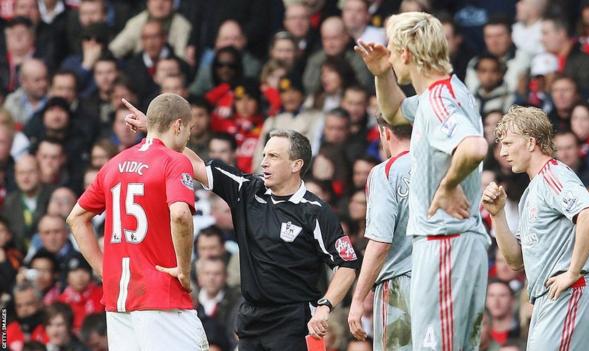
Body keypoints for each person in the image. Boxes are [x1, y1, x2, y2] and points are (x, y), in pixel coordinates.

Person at [124, 101, 360, 350]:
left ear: (296, 165)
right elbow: (195, 165)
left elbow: (347, 264)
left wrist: (325, 307)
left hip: (295, 322)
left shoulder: (315, 211)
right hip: (252, 319)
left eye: (274, 156)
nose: (264, 161)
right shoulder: (246, 190)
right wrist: (154, 130)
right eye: (265, 154)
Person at [355, 11, 490, 350]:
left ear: (406, 53)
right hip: (454, 242)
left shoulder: (438, 101)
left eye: (392, 49)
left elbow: (474, 146)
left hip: (445, 240)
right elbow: (395, 112)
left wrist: (448, 185)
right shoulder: (447, 92)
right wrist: (382, 75)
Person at [66, 93, 209, 351]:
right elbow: (179, 214)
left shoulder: (114, 163)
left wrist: (103, 269)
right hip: (162, 298)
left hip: (118, 301)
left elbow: (76, 218)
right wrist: (184, 270)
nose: (189, 136)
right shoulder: (175, 162)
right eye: (189, 128)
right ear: (178, 125)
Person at [481, 105, 589, 350]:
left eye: (508, 143)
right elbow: (516, 262)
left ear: (530, 142)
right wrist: (498, 216)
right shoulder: (532, 190)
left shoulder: (553, 175)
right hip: (550, 301)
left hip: (569, 295)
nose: (502, 152)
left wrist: (572, 272)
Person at [347, 116, 412, 350]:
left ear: (385, 133)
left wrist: (357, 299)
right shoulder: (442, 167)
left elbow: (380, 242)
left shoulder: (386, 172)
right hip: (441, 281)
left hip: (400, 287)